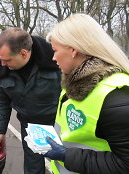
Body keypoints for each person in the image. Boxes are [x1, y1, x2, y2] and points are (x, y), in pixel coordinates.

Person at [44, 13, 129, 174]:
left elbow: (125, 165)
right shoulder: (74, 84)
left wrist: (66, 155)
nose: (53, 58)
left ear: (73, 50)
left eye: (55, 50)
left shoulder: (116, 98)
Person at [0, 28, 61, 174]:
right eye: (1, 59)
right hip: (31, 126)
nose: (2, 64)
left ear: (24, 53)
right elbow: (1, 103)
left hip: (58, 124)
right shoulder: (3, 71)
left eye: (7, 60)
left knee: (65, 164)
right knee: (33, 167)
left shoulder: (56, 61)